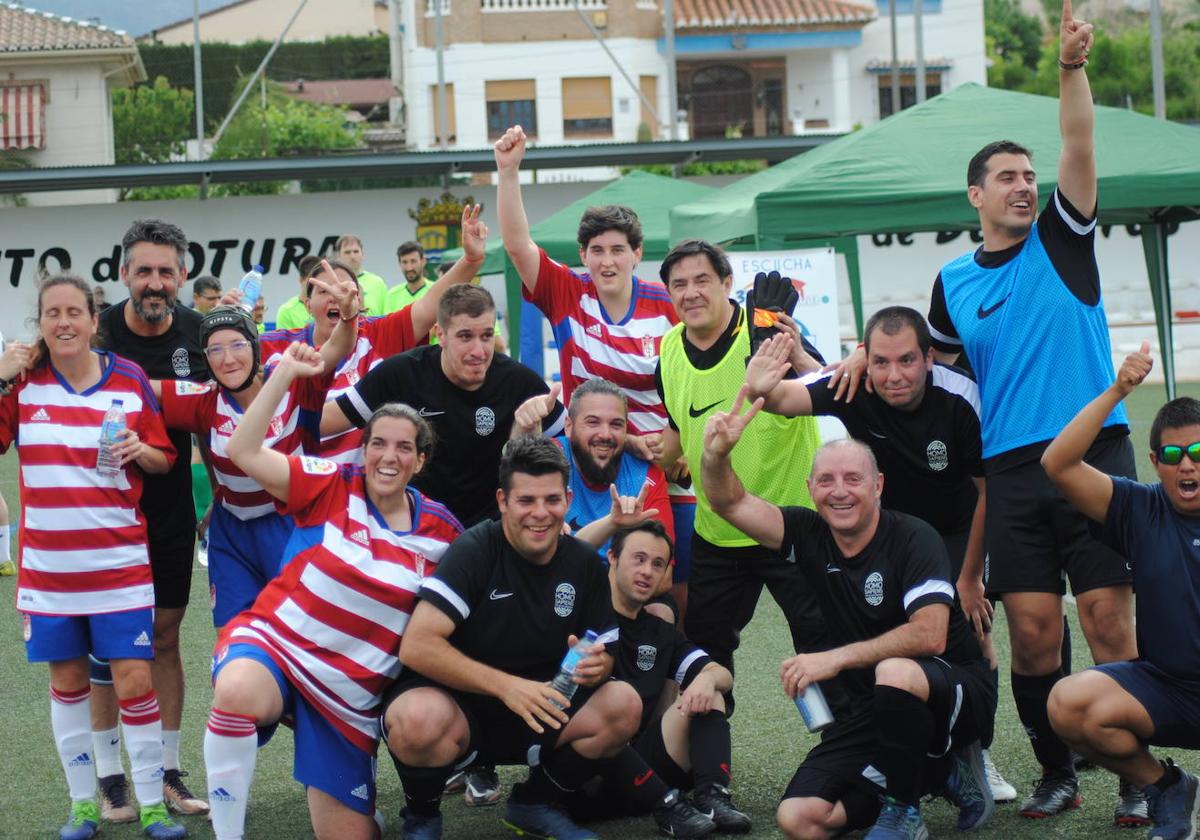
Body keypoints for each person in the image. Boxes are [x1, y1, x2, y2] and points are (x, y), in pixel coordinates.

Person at [918, 0, 1143, 822]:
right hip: (1009, 474)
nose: (1024, 185)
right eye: (1007, 177)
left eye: (1029, 175)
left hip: (1094, 456)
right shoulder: (952, 285)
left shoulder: (1064, 236)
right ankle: (1058, 772)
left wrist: (1071, 68)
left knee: (1110, 623)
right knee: (1036, 640)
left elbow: (1079, 144)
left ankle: (1134, 777)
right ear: (975, 194)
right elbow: (928, 378)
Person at [744, 306, 1016, 802]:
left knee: (974, 632)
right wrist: (759, 381)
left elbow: (987, 492)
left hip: (955, 529)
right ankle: (901, 747)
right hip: (886, 534)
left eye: (907, 361)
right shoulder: (854, 382)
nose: (894, 376)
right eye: (882, 362)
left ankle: (977, 750)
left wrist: (972, 577)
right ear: (867, 360)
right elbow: (782, 400)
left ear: (929, 357)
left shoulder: (961, 398)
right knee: (893, 637)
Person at [702, 397, 997, 840]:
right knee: (798, 820)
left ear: (878, 485)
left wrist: (833, 659)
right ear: (810, 487)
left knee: (894, 671)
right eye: (826, 480)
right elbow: (731, 503)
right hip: (875, 706)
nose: (839, 491)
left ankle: (908, 804)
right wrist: (716, 454)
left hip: (955, 689)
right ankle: (931, 775)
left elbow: (931, 635)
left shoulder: (913, 537)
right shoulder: (807, 532)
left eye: (853, 479)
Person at [205, 343, 463, 840]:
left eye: (403, 447)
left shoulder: (443, 532)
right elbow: (242, 452)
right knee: (236, 691)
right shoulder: (331, 482)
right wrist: (281, 376)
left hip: (347, 700)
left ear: (420, 460)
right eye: (378, 444)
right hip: (278, 646)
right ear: (363, 450)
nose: (389, 456)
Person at [380, 434, 641, 840]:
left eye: (552, 500)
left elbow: (606, 650)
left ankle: (534, 803)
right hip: (461, 710)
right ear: (503, 501)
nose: (540, 513)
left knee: (623, 704)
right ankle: (422, 816)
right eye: (526, 501)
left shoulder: (583, 565)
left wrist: (595, 666)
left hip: (541, 710)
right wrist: (508, 687)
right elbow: (417, 645)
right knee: (414, 718)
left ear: (567, 500)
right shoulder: (475, 549)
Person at [0, 274, 186, 840]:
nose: (64, 322)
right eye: (52, 313)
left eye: (74, 311)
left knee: (133, 679)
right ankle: (83, 805)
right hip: (50, 573)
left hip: (119, 565)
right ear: (40, 323)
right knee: (69, 683)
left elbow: (164, 458)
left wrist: (141, 449)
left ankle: (152, 804)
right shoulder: (23, 383)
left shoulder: (127, 378)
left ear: (91, 319)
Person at [494, 124, 695, 612]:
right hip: (586, 461)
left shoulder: (667, 306)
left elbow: (690, 386)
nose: (607, 261)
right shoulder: (568, 293)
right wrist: (508, 172)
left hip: (659, 468)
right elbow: (520, 247)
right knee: (571, 578)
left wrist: (678, 443)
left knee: (672, 590)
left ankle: (676, 678)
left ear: (637, 254)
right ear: (583, 255)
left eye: (618, 249)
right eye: (597, 250)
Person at [650, 239, 829, 710]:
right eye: (679, 284)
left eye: (702, 280)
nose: (690, 293)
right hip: (719, 531)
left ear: (728, 284)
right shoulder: (667, 350)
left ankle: (852, 758)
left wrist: (786, 347)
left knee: (826, 647)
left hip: (790, 521)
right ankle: (705, 766)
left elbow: (827, 386)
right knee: (706, 657)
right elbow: (677, 431)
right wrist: (627, 448)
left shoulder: (767, 326)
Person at [1043, 344, 1200, 840]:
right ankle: (1167, 787)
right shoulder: (1139, 508)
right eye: (1173, 455)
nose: (1187, 466)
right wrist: (1118, 390)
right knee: (1068, 703)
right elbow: (1059, 463)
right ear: (1155, 461)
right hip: (1168, 690)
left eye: (1198, 452)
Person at [158, 273, 358, 628]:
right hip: (232, 533)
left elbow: (337, 348)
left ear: (255, 346)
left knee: (298, 631)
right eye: (215, 350)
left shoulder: (290, 378)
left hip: (290, 523)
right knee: (234, 639)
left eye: (237, 345)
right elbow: (139, 386)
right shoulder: (204, 401)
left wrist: (349, 315)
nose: (228, 359)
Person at [94, 219, 211, 821]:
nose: (156, 282)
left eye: (167, 271)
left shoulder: (200, 333)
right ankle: (111, 777)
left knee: (163, 639)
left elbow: (228, 412)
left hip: (167, 514)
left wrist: (220, 489)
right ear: (124, 275)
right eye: (144, 270)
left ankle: (166, 771)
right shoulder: (96, 333)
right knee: (107, 651)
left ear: (183, 275)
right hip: (100, 516)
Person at [324, 284, 565, 527]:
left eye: (486, 336)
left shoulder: (519, 383)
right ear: (440, 334)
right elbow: (322, 423)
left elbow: (576, 438)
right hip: (417, 531)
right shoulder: (402, 374)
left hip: (490, 533)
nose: (479, 351)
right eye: (465, 337)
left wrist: (531, 431)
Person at [262, 205, 486, 465]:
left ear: (360, 301)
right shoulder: (280, 345)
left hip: (371, 487)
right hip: (306, 486)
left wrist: (471, 260)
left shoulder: (378, 333)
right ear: (306, 305)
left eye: (345, 289)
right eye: (324, 291)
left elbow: (429, 307)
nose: (337, 296)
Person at [578, 520, 751, 836]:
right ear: (613, 558)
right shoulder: (585, 617)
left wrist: (707, 680)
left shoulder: (659, 633)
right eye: (638, 559)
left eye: (658, 564)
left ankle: (713, 797)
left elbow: (721, 674)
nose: (647, 571)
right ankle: (666, 802)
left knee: (709, 687)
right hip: (591, 771)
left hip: (648, 762)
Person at [336, 234, 388, 317]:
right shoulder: (334, 282)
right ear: (338, 256)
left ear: (362, 254)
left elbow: (386, 315)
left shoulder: (378, 282)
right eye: (347, 252)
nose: (352, 256)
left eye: (356, 251)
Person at [386, 241, 431, 314]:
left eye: (413, 261)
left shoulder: (435, 290)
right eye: (404, 262)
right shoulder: (391, 295)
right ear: (399, 264)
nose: (409, 268)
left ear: (423, 261)